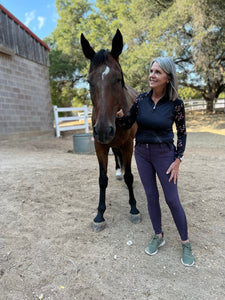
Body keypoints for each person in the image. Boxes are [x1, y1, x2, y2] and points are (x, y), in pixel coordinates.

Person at [117, 57, 194, 266]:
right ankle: (158, 236)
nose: (152, 75)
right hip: (142, 153)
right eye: (151, 71)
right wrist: (118, 115)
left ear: (168, 78)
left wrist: (178, 159)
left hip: (164, 155)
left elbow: (182, 133)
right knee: (151, 197)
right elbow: (127, 123)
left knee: (172, 199)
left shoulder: (176, 103)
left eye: (157, 72)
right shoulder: (141, 100)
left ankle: (185, 242)